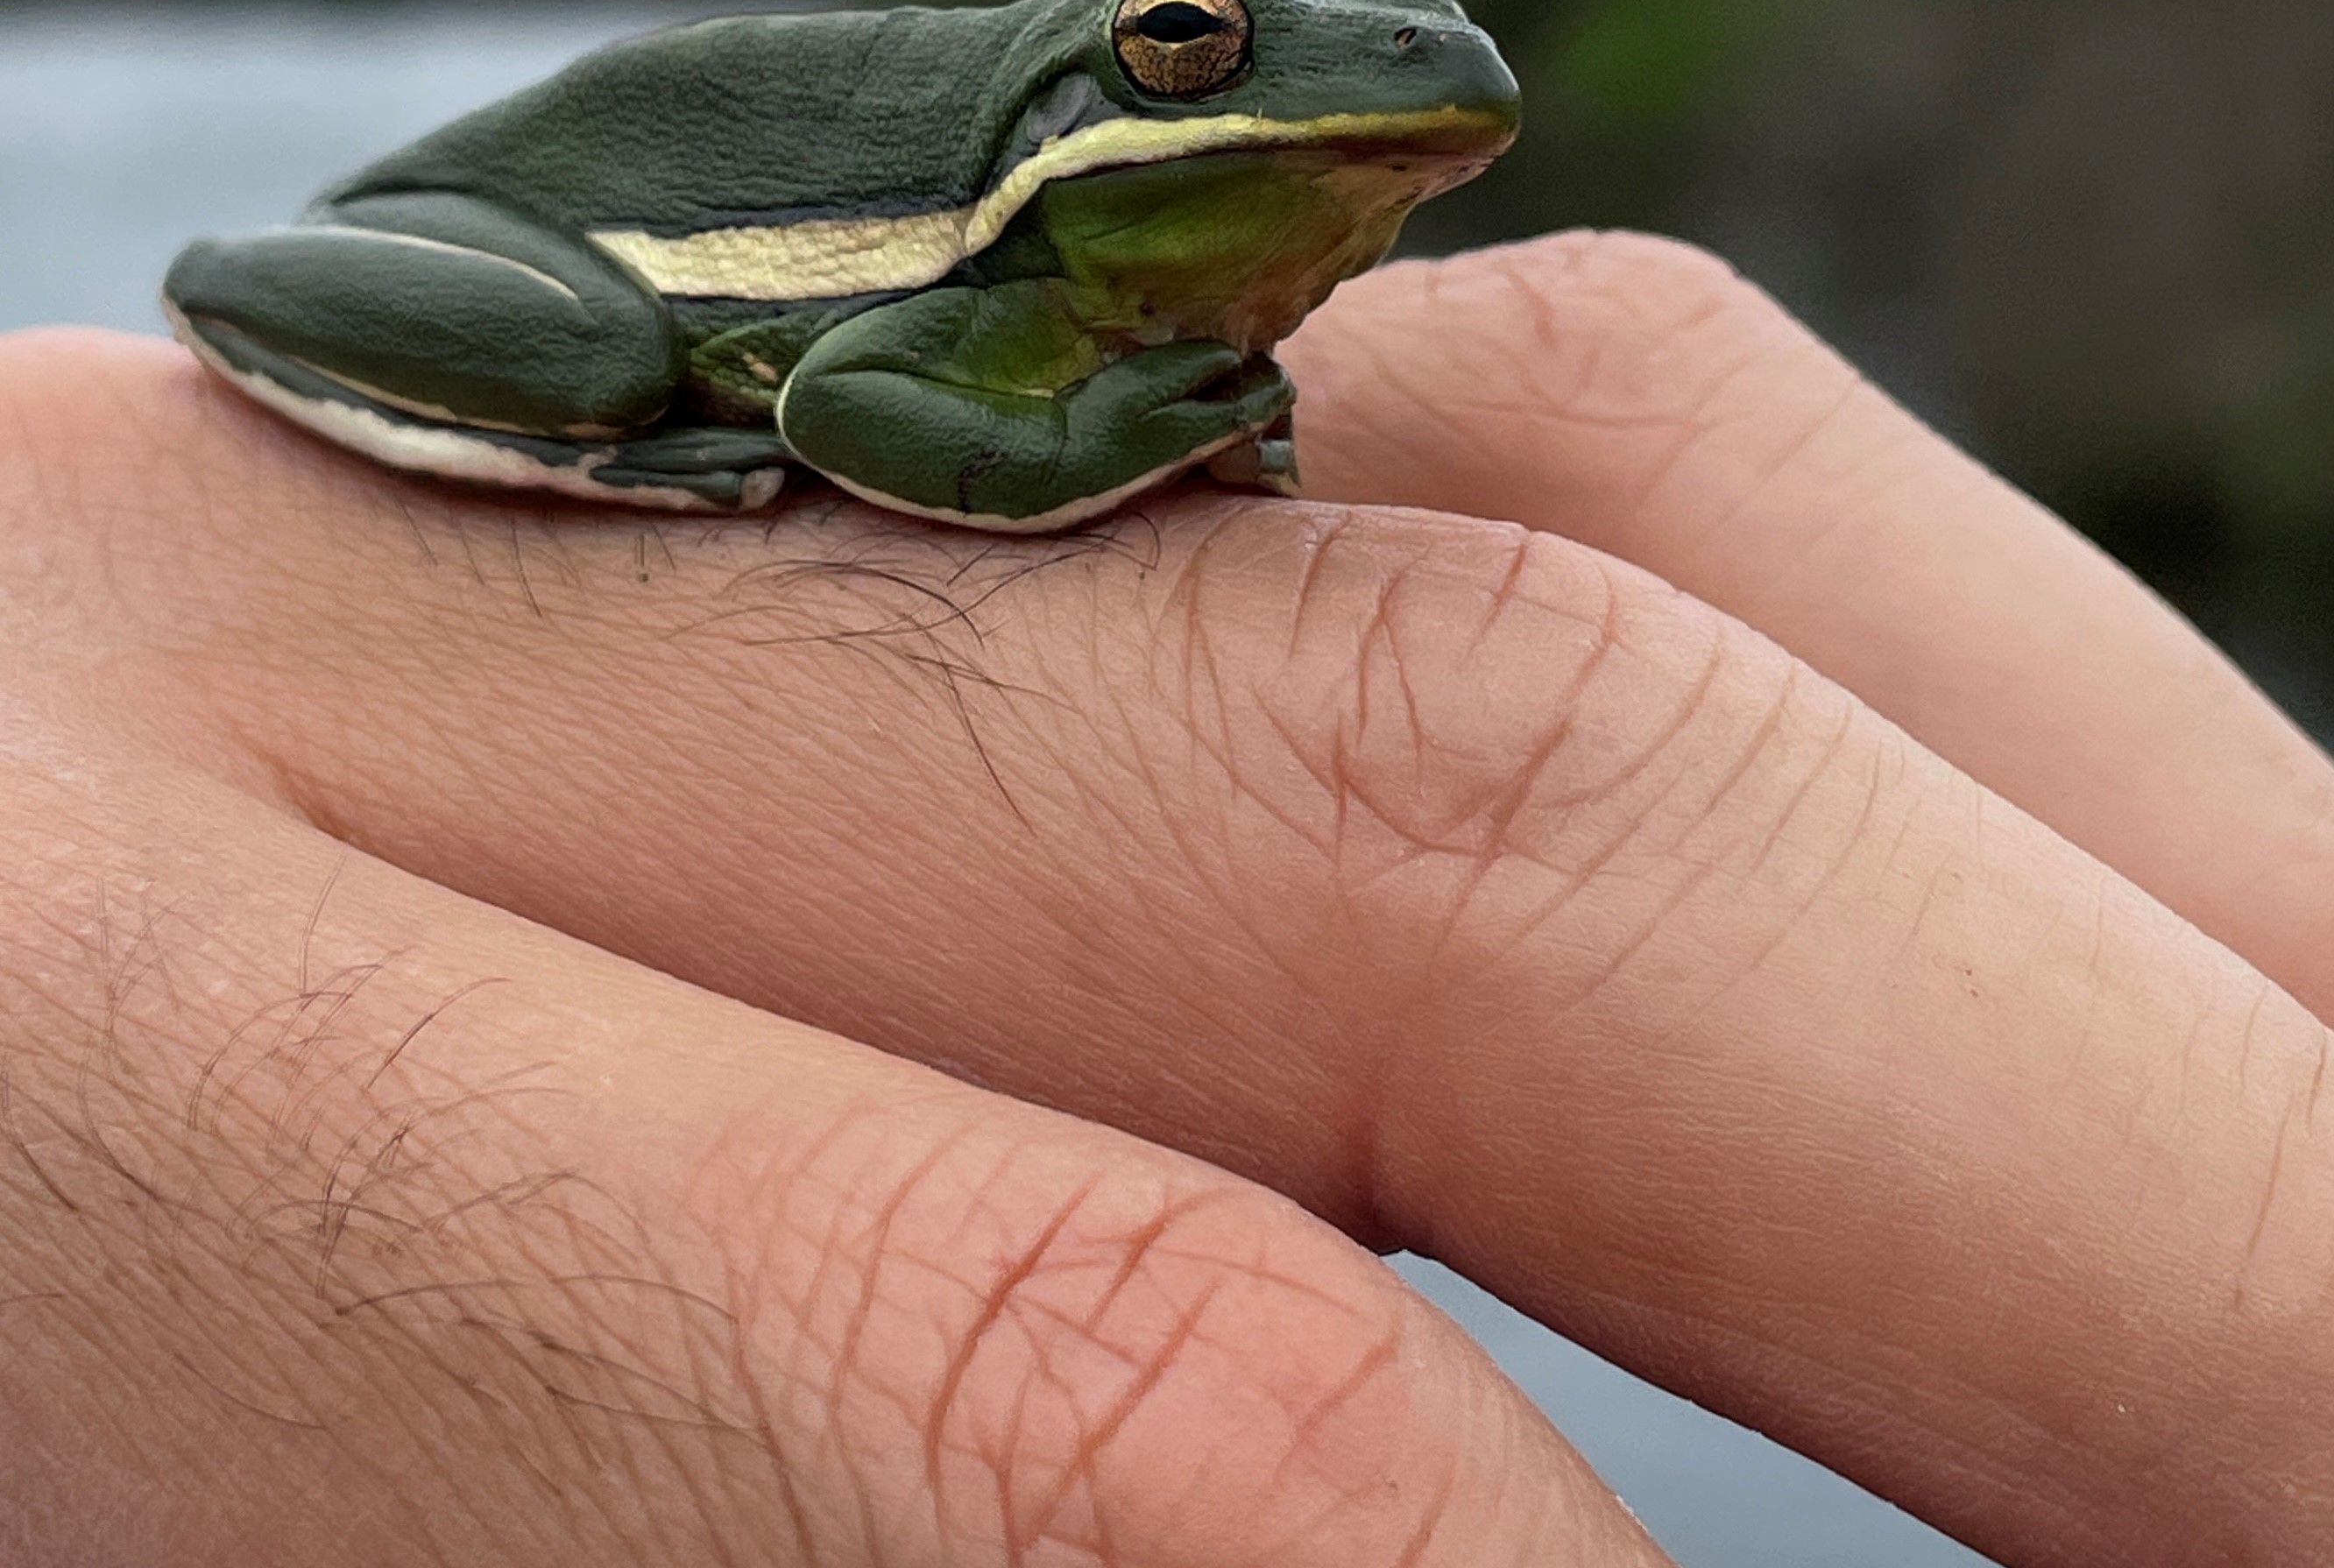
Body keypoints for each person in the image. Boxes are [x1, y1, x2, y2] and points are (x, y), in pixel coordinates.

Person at [0, 229, 2328, 1565]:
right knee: (1157, 1410)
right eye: (1201, 53)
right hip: (650, 319)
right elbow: (859, 405)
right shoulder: (947, 261)